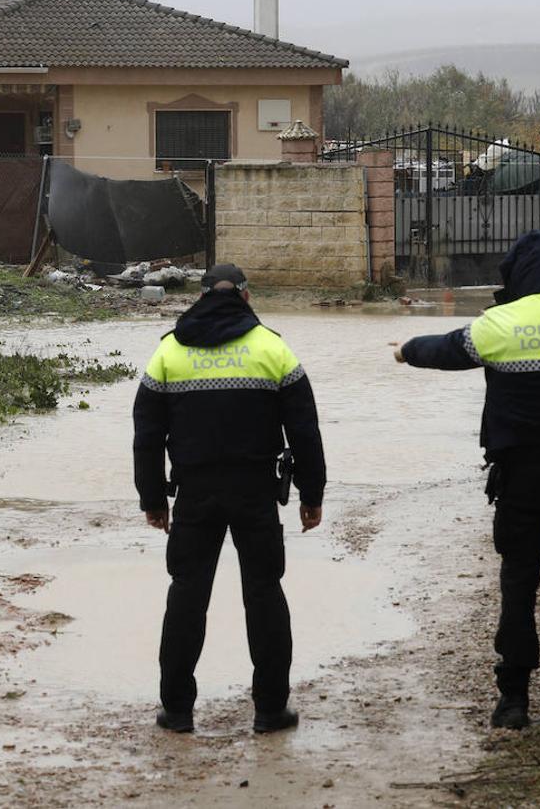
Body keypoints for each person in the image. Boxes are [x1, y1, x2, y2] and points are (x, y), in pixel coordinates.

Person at [392, 230, 540, 728]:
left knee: (520, 582)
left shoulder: (495, 325)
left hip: (521, 475)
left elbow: (444, 349)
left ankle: (514, 701)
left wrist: (405, 349)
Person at [133, 263, 326, 735]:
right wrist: (312, 494)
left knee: (186, 597)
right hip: (255, 492)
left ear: (200, 296)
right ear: (246, 296)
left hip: (194, 495)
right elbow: (305, 429)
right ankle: (270, 711)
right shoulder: (272, 348)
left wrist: (153, 500)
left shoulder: (169, 352)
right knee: (263, 595)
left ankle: (177, 712)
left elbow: (146, 435)